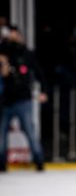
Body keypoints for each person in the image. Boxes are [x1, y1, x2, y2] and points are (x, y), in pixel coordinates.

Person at [0, 26, 47, 172]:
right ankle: (1, 163)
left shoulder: (26, 54)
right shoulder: (3, 52)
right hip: (5, 101)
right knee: (1, 135)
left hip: (23, 100)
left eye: (16, 36)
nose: (13, 39)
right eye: (10, 37)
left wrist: (44, 91)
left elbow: (40, 73)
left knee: (29, 131)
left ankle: (39, 160)